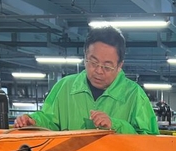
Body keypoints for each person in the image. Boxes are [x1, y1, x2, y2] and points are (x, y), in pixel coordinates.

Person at [14, 26, 158, 134]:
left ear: (120, 65)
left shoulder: (134, 95)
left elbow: (149, 140)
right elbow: (50, 120)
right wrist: (33, 121)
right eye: (93, 62)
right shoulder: (65, 88)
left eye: (107, 66)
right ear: (85, 56)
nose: (98, 71)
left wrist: (115, 125)